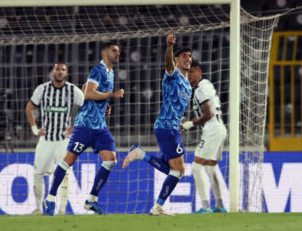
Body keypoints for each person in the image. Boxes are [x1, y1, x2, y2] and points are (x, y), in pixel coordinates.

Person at [43, 42, 124, 216]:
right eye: (114, 50)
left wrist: (105, 105)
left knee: (111, 160)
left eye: (118, 51)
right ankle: (50, 198)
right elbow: (87, 92)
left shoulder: (111, 72)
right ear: (104, 53)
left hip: (100, 125)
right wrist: (111, 95)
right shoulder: (98, 70)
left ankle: (91, 200)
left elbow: (90, 93)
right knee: (68, 162)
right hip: (85, 125)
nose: (118, 53)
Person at [122, 31, 192, 215]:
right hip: (165, 127)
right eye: (184, 55)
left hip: (171, 127)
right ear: (177, 59)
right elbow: (168, 64)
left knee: (174, 170)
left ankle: (141, 155)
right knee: (179, 170)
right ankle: (157, 206)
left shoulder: (188, 85)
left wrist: (181, 122)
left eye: (190, 56)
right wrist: (169, 46)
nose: (188, 58)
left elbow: (178, 107)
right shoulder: (173, 74)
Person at [25, 62, 84, 215]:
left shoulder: (73, 90)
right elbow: (29, 108)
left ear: (66, 73)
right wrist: (34, 129)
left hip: (64, 140)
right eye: (57, 69)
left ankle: (62, 210)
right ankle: (38, 208)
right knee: (38, 173)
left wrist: (75, 127)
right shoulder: (42, 89)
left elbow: (87, 108)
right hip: (46, 140)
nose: (60, 72)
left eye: (63, 70)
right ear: (52, 71)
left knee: (65, 174)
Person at [181, 60, 228, 213]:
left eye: (191, 72)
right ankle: (220, 205)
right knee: (210, 168)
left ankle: (206, 206)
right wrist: (191, 121)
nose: (188, 76)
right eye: (187, 73)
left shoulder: (201, 89)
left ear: (199, 71)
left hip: (212, 128)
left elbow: (208, 114)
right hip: (219, 127)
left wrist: (190, 124)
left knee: (196, 168)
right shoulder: (206, 85)